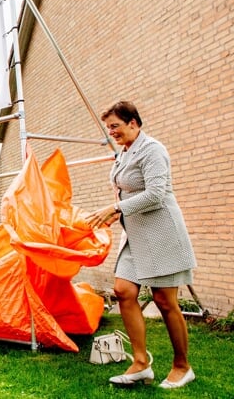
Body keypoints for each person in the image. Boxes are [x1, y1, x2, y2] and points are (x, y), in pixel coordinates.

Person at [86, 101, 197, 389]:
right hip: (134, 236)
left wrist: (115, 208)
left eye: (115, 126)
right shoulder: (123, 154)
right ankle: (140, 363)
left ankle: (182, 366)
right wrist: (115, 215)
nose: (111, 132)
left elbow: (156, 194)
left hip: (161, 232)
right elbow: (125, 192)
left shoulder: (153, 150)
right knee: (123, 291)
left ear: (133, 122)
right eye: (108, 127)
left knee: (164, 301)